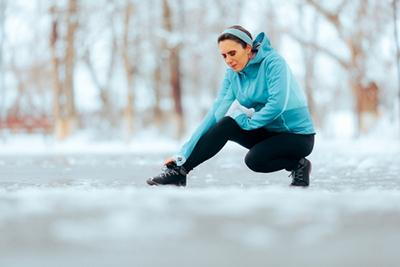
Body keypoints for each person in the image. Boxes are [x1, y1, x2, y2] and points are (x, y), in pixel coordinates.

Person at [147, 25, 315, 187]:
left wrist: (250, 123)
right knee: (226, 123)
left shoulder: (273, 63)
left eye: (232, 53)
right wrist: (182, 154)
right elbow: (216, 114)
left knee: (255, 160)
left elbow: (277, 104)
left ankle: (299, 164)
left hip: (297, 136)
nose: (228, 60)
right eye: (224, 55)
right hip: (269, 133)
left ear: (248, 49)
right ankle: (180, 172)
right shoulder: (233, 75)